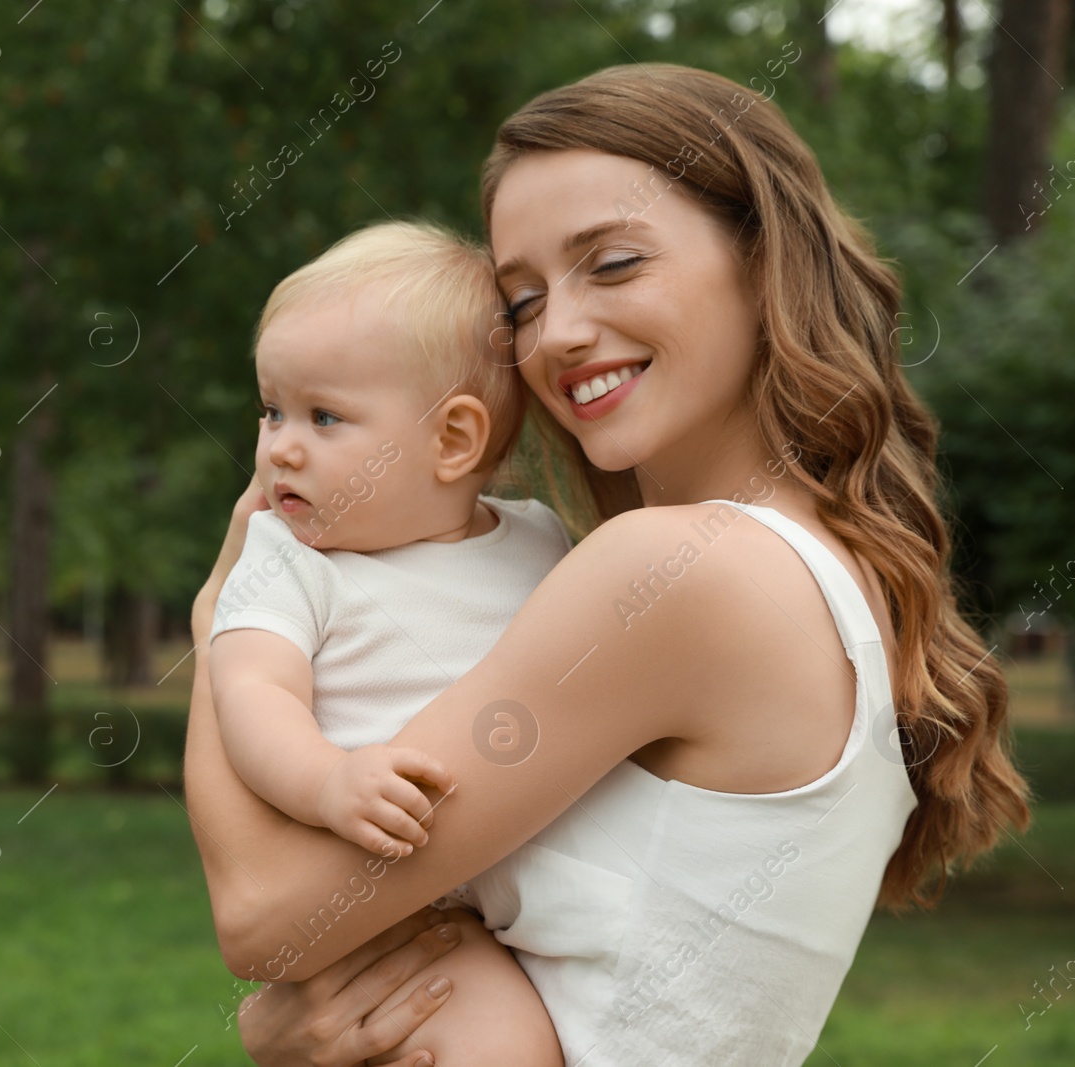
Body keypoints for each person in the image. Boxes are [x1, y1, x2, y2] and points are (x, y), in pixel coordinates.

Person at [183, 63, 1031, 1066]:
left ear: (764, 262)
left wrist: (227, 616)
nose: (562, 332)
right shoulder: (813, 571)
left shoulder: (681, 574)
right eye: (523, 300)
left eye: (615, 263)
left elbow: (264, 916)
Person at [207, 220, 571, 1063]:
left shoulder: (538, 540)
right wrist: (328, 777)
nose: (278, 447)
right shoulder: (288, 559)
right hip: (397, 910)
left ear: (453, 440)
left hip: (523, 894)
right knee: (498, 1042)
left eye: (323, 416)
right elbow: (251, 692)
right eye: (271, 410)